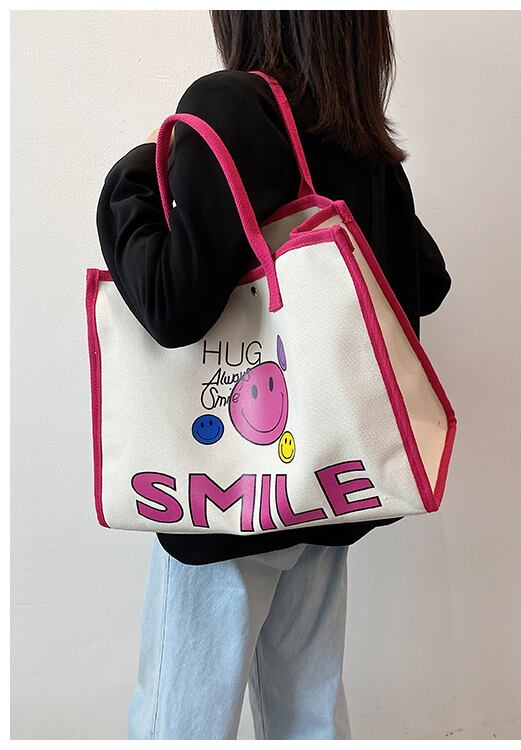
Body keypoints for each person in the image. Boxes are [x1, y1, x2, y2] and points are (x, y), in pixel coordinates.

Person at [96, 10, 451, 740]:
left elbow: (172, 306)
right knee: (307, 713)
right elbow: (429, 281)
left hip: (222, 494)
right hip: (327, 481)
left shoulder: (230, 107)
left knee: (181, 721)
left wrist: (127, 183)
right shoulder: (364, 143)